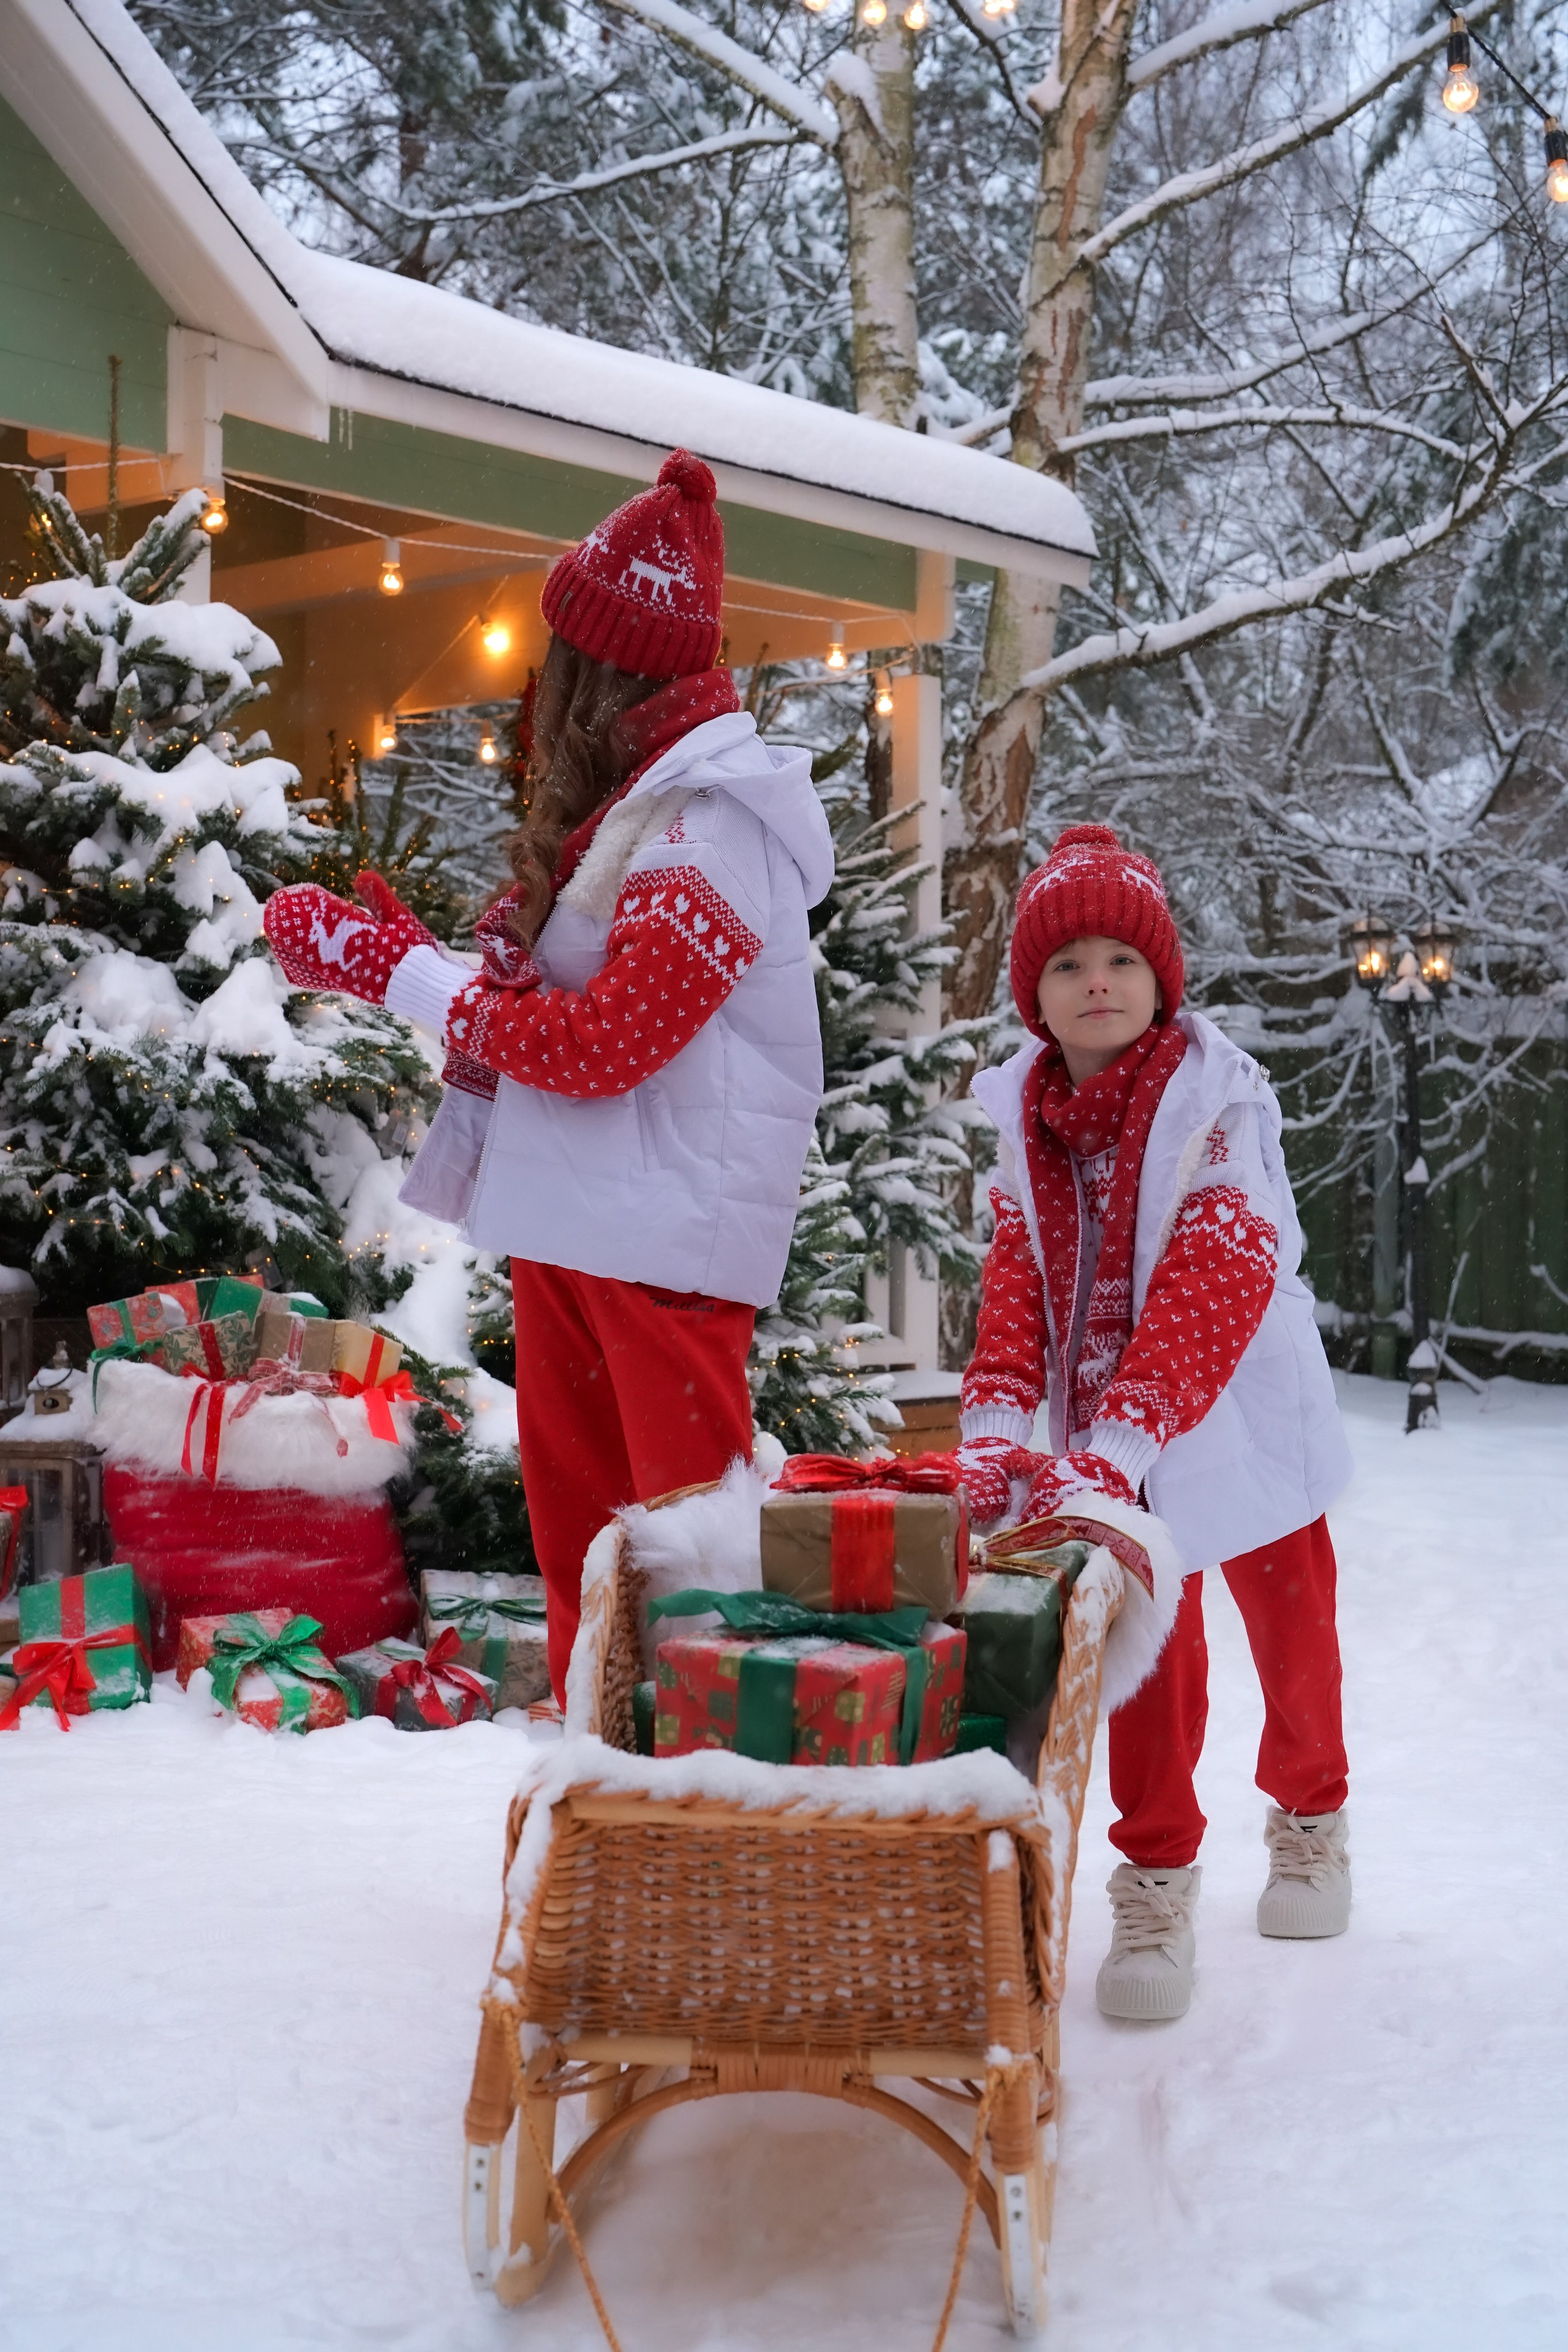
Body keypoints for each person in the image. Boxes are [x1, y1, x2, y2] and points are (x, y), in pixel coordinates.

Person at [262, 450, 833, 1698]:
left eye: (560, 655)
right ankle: (609, 1816)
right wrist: (442, 967)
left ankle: (712, 1842)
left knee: (689, 1582)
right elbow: (580, 1026)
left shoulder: (711, 823)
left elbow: (608, 1046)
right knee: (595, 1571)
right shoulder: (645, 812)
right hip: (593, 1233)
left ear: (597, 667)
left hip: (664, 1254)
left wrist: (395, 974)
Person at [956, 823, 1353, 2022]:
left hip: (1232, 1410)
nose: (1095, 981)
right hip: (1107, 1442)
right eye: (1067, 962)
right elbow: (1015, 1283)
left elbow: (1216, 1271)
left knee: (1291, 1635)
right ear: (1034, 995)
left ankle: (1309, 1818)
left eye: (1120, 962)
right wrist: (988, 1419)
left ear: (1160, 983)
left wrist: (1127, 1432)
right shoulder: (1026, 1119)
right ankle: (1157, 1875)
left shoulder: (1213, 1104)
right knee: (1142, 1662)